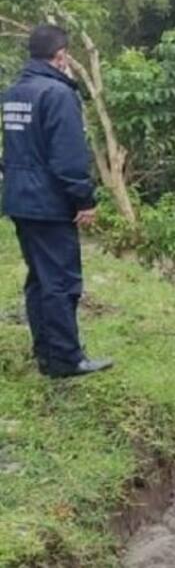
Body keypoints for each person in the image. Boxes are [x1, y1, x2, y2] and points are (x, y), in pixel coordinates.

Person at [2, 24, 113, 378]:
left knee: (39, 279)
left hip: (19, 198)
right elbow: (67, 158)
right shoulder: (58, 95)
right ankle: (67, 358)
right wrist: (84, 200)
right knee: (62, 281)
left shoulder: (14, 93)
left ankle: (46, 354)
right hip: (48, 203)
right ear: (61, 56)